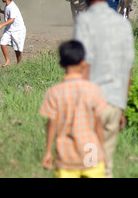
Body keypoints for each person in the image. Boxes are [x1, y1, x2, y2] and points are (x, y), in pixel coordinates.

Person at [74, 0, 135, 178]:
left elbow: (83, 63)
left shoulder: (84, 21)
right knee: (105, 165)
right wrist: (123, 107)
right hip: (115, 104)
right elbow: (128, 69)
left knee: (90, 165)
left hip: (93, 104)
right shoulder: (123, 24)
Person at [40, 40, 108, 178]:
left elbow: (52, 123)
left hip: (66, 155)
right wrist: (103, 150)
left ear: (61, 64)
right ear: (83, 62)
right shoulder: (93, 90)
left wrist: (48, 151)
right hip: (91, 153)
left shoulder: (54, 92)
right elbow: (98, 123)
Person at [0, 0, 26, 66]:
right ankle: (8, 61)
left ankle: (19, 63)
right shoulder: (7, 5)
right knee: (3, 43)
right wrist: (1, 11)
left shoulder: (12, 7)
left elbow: (12, 19)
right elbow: (7, 13)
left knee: (17, 48)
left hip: (18, 29)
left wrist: (1, 25)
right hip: (9, 29)